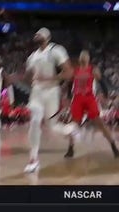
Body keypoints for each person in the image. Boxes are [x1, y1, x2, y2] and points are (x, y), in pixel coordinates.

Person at [22, 28, 74, 173]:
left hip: (52, 91)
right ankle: (34, 159)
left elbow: (69, 72)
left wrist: (50, 78)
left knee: (53, 126)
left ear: (47, 37)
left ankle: (70, 131)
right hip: (37, 91)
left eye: (39, 33)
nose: (36, 35)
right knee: (35, 120)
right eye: (35, 33)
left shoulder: (56, 50)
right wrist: (25, 77)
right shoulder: (31, 57)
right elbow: (27, 76)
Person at [64, 50, 119, 159]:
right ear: (80, 58)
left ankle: (114, 146)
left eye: (85, 56)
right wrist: (68, 97)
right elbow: (70, 84)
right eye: (82, 56)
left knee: (100, 123)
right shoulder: (75, 71)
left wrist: (105, 94)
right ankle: (70, 149)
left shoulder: (93, 69)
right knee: (74, 125)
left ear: (88, 58)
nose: (83, 57)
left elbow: (102, 81)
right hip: (77, 98)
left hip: (89, 97)